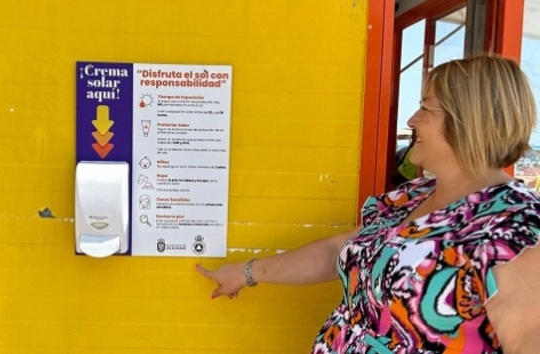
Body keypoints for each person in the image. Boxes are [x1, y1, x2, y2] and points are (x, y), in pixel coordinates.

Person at [197, 55, 540, 353]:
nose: (412, 120)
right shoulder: (413, 197)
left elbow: (528, 339)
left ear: (469, 121)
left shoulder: (514, 224)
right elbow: (337, 252)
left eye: (426, 107)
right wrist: (247, 273)